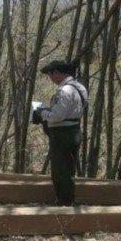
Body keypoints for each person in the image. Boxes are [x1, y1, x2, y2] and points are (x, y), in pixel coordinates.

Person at [36, 60, 88, 206]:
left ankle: (64, 202)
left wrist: (43, 113)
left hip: (62, 133)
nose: (50, 78)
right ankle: (67, 199)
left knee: (60, 169)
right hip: (74, 130)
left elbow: (58, 116)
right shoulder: (80, 88)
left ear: (57, 72)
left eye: (50, 74)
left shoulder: (64, 91)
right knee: (68, 168)